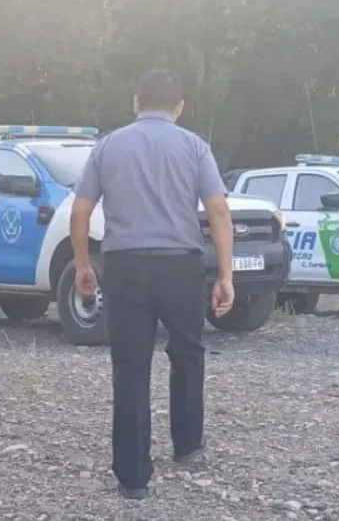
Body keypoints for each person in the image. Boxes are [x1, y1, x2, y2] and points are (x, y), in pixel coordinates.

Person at [70, 69, 235, 500]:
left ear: (135, 103)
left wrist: (84, 265)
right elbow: (218, 211)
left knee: (130, 366)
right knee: (188, 353)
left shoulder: (107, 146)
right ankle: (187, 444)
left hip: (124, 266)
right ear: (179, 108)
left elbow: (81, 212)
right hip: (180, 266)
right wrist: (225, 275)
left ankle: (133, 477)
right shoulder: (195, 147)